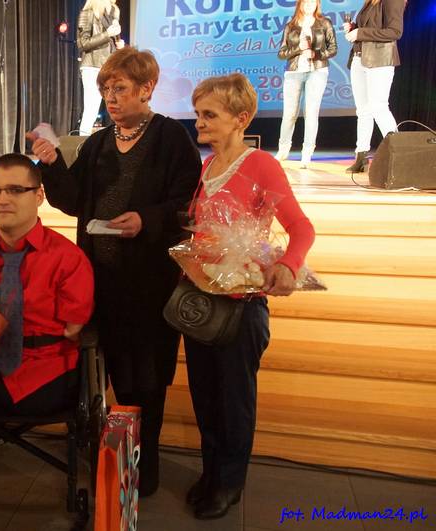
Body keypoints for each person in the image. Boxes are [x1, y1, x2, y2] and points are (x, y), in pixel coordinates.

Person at [29, 47, 202, 496]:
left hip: (148, 285)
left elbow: (188, 204)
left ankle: (144, 469)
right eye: (106, 88)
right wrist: (52, 164)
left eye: (120, 88)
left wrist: (147, 219)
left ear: (146, 89)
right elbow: (72, 201)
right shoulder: (98, 143)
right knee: (101, 376)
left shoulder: (170, 138)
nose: (110, 96)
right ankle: (112, 459)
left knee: (145, 380)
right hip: (98, 281)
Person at [186, 73, 315, 519]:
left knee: (234, 400)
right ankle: (210, 473)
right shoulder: (207, 166)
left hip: (241, 304)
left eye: (209, 114)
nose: (199, 122)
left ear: (241, 118)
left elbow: (302, 228)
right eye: (198, 114)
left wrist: (288, 265)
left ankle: (229, 484)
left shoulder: (261, 165)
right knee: (205, 395)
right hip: (205, 298)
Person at [0, 153, 94, 416]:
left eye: (15, 190)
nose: (2, 200)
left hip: (45, 375)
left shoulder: (68, 258)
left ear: (39, 196)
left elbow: (73, 329)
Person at [343, 0, 406, 173]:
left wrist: (360, 32)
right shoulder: (369, 2)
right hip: (359, 58)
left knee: (379, 107)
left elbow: (395, 32)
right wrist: (354, 28)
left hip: (380, 60)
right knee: (363, 110)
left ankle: (399, 155)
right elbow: (370, 27)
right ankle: (361, 157)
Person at [275, 0, 338, 168]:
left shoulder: (324, 23)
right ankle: (283, 149)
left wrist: (316, 54)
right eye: (306, 1)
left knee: (311, 113)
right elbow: (281, 53)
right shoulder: (291, 26)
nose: (309, 4)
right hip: (293, 72)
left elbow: (333, 48)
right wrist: (299, 48)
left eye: (313, 1)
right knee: (289, 113)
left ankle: (307, 153)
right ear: (300, 4)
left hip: (317, 71)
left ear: (317, 4)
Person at [77, 0, 125, 136]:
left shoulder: (112, 15)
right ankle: (83, 144)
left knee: (117, 106)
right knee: (91, 109)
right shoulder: (87, 13)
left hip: (110, 68)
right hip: (93, 66)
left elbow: (112, 43)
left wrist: (119, 46)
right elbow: (82, 43)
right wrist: (107, 34)